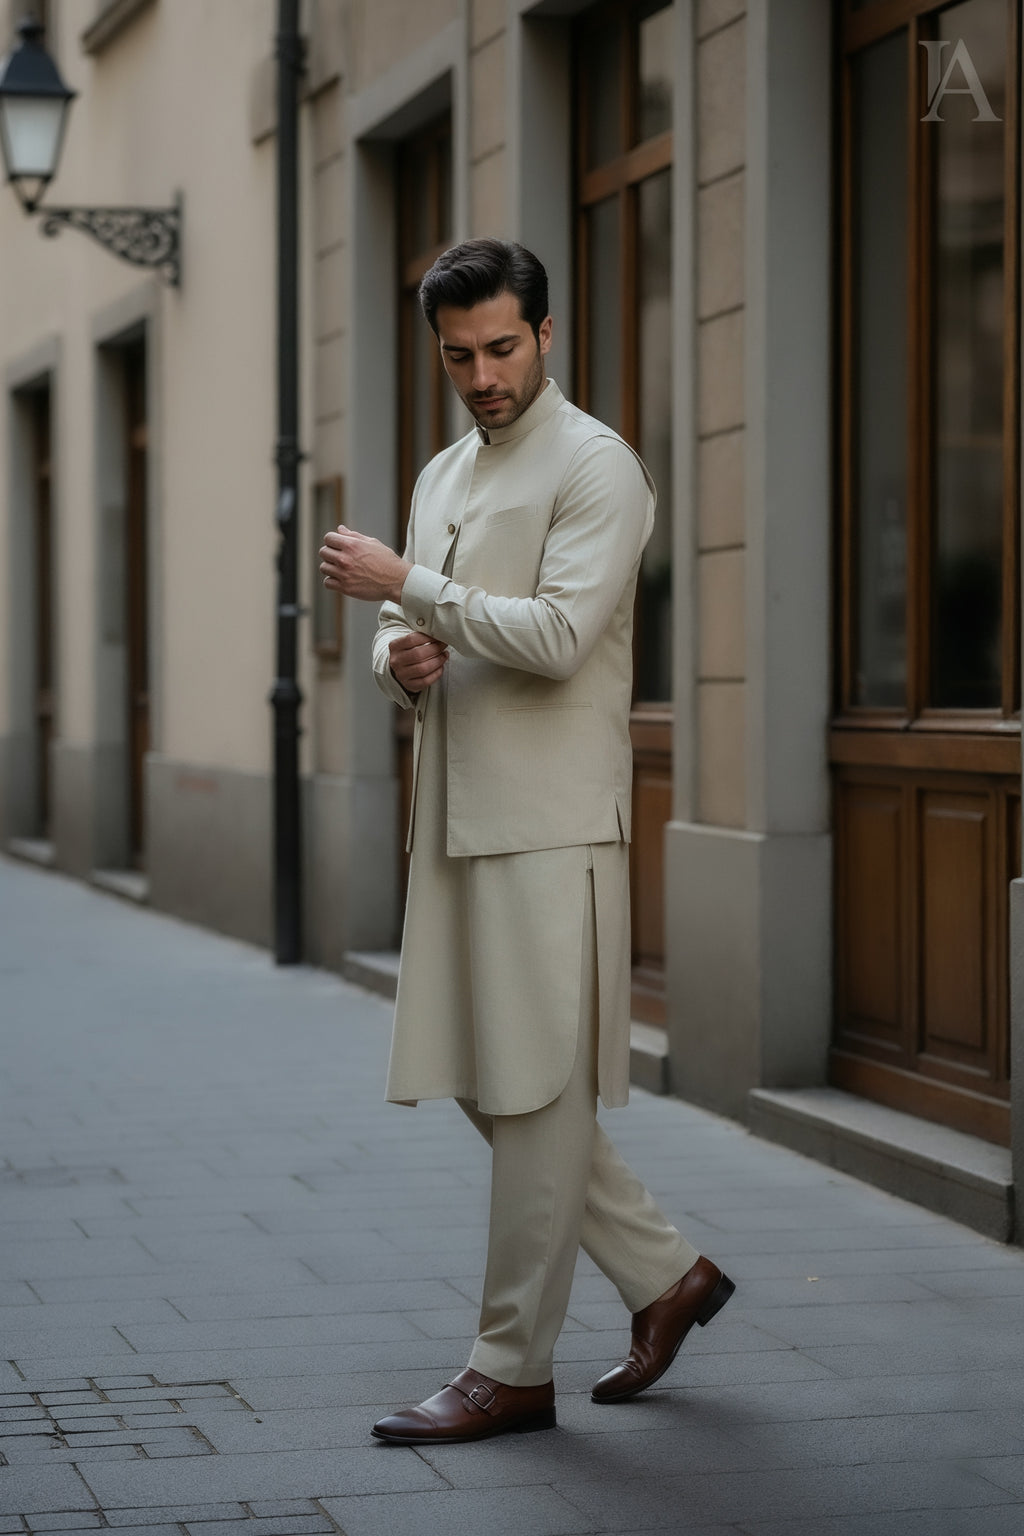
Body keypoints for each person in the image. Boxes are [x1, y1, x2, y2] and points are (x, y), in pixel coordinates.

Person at [319, 238, 733, 1446]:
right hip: (452, 817)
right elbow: (414, 630)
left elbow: (557, 636)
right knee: (480, 1076)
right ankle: (667, 1275)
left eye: (503, 347)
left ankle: (510, 1367)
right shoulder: (444, 471)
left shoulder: (599, 465)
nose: (484, 373)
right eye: (461, 355)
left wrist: (411, 587)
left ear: (545, 336)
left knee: (536, 1089)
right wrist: (404, 654)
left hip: (550, 827)